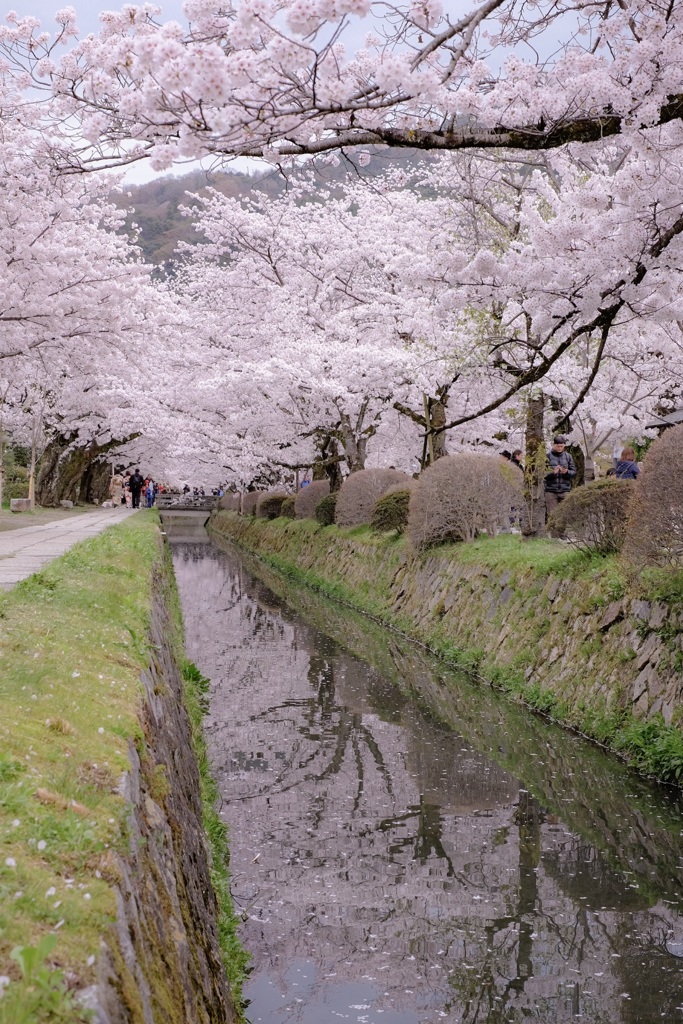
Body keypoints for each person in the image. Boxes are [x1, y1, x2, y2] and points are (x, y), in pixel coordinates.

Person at [544, 435, 577, 518]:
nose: (559, 448)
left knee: (564, 515)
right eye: (558, 446)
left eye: (561, 446)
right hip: (551, 490)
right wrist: (553, 472)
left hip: (565, 489)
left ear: (564, 446)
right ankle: (553, 531)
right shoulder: (547, 457)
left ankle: (562, 531)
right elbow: (542, 474)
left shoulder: (568, 456)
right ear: (553, 445)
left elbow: (574, 472)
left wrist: (566, 472)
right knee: (552, 516)